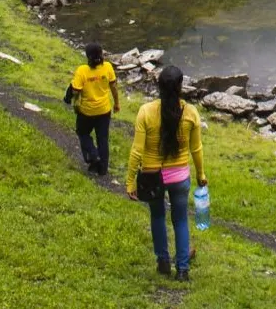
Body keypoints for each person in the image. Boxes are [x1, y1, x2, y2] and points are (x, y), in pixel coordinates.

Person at [125, 64, 206, 280]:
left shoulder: (146, 111)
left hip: (152, 176)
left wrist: (130, 180)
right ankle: (182, 270)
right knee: (180, 220)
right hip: (179, 177)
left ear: (158, 86)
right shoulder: (190, 113)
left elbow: (137, 150)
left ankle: (162, 261)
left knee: (157, 216)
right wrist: (201, 174)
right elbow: (196, 149)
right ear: (180, 87)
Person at [65, 43, 119, 175]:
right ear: (101, 54)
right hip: (104, 110)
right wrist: (117, 103)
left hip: (86, 112)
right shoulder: (107, 67)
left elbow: (75, 89)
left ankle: (94, 156)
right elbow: (114, 87)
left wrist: (69, 100)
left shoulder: (82, 70)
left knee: (83, 133)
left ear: (87, 56)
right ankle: (103, 169)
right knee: (103, 138)